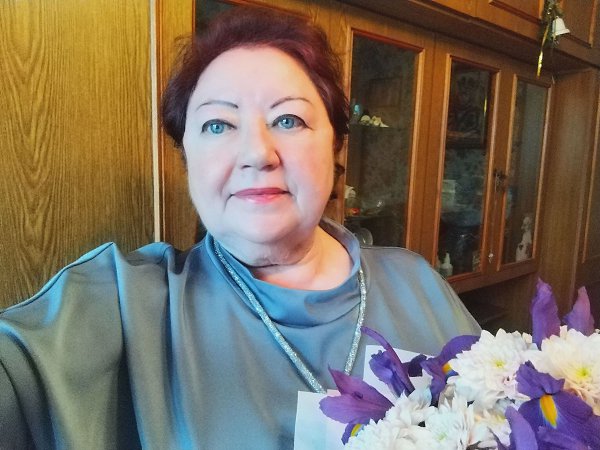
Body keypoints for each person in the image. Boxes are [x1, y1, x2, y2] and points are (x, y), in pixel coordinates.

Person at [0, 6, 480, 449]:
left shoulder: (418, 282)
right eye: (218, 125)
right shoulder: (124, 303)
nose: (257, 153)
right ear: (188, 158)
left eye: (288, 119)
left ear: (336, 146)